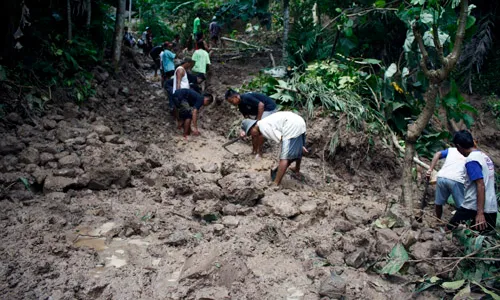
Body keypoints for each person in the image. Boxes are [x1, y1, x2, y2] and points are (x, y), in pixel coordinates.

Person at [448, 130, 497, 231]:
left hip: (473, 208)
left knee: (450, 230)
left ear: (459, 147)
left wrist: (480, 213)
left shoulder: (472, 160)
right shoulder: (485, 157)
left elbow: (480, 184)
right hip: (491, 208)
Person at [240, 112, 307, 184]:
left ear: (252, 128)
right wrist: (298, 146)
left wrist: (290, 150)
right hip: (299, 121)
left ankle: (276, 183)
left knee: (284, 157)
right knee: (298, 149)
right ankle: (296, 169)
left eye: (250, 133)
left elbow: (282, 138)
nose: (251, 135)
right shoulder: (263, 122)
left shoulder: (263, 128)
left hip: (291, 125)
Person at [426, 147, 466, 219]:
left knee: (438, 202)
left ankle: (438, 220)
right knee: (462, 205)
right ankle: (461, 223)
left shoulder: (452, 150)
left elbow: (438, 153)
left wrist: (430, 169)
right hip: (457, 179)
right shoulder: (469, 153)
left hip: (442, 176)